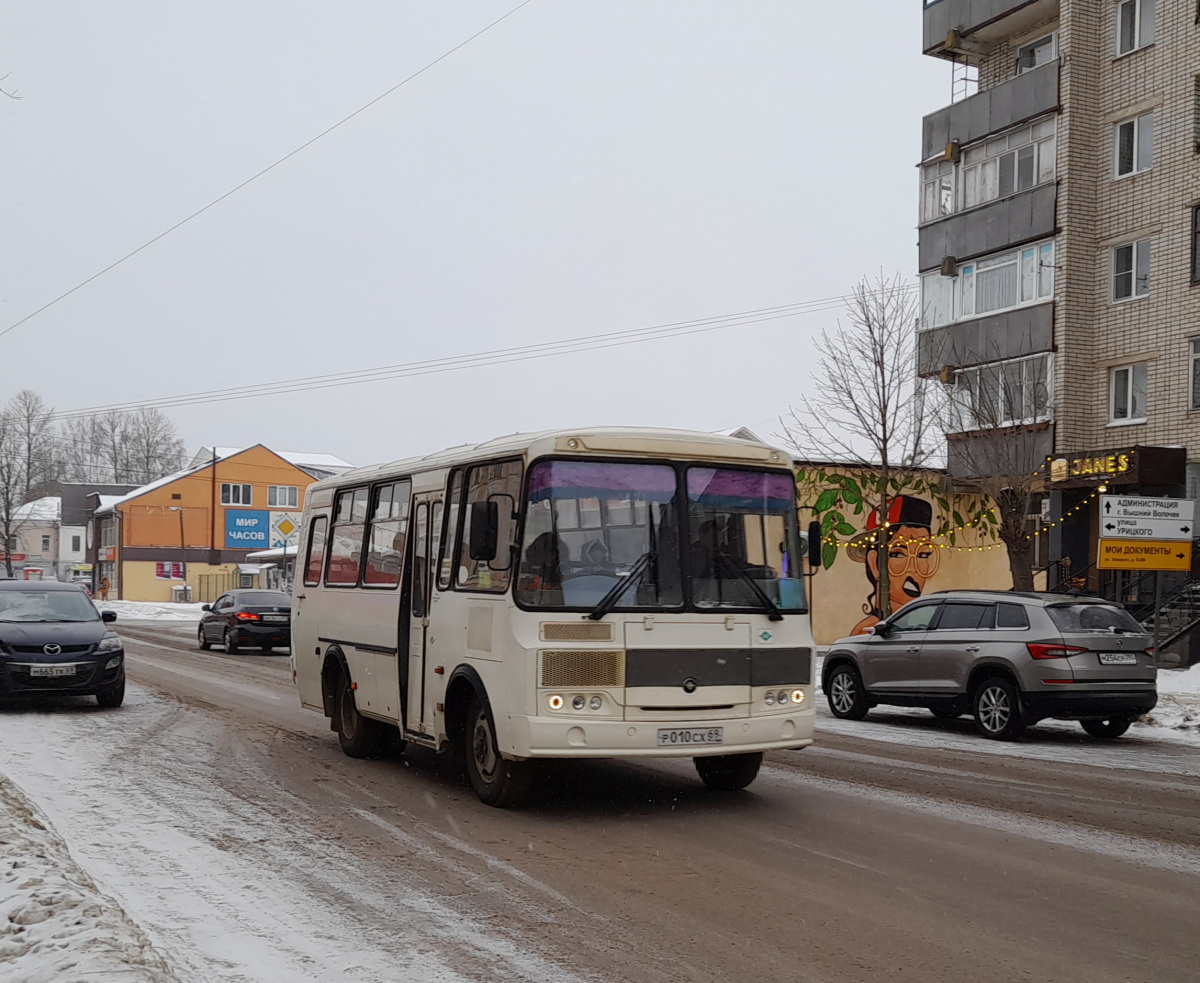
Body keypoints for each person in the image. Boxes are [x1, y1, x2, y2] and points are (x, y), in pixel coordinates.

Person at [847, 496, 941, 635]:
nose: (912, 568)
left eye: (923, 555)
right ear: (874, 564)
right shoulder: (867, 632)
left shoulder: (915, 627)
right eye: (898, 554)